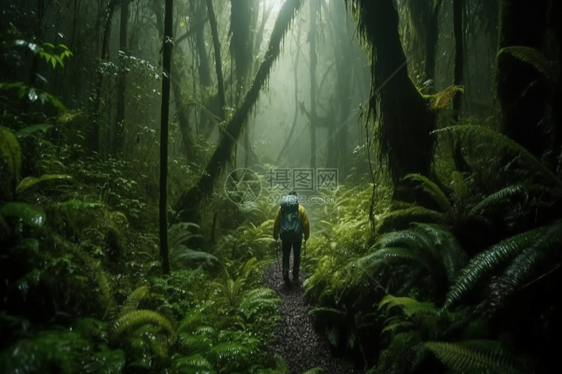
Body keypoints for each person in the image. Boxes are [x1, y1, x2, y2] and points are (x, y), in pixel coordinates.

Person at [273, 191, 310, 285]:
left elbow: (277, 223)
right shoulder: (301, 208)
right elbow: (306, 223)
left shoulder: (282, 209)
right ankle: (295, 275)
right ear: (296, 198)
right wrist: (306, 236)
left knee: (286, 254)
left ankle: (285, 271)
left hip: (285, 236)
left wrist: (275, 235)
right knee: (297, 255)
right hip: (297, 236)